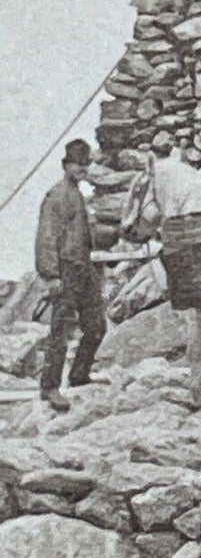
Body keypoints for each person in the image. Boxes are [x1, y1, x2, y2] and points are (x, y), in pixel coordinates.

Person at [34, 138, 106, 413]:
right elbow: (46, 238)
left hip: (83, 269)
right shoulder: (57, 195)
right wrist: (51, 276)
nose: (82, 169)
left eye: (85, 164)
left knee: (97, 325)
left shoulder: (77, 194)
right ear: (66, 166)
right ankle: (50, 387)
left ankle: (79, 375)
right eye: (77, 165)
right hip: (64, 271)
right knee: (61, 331)